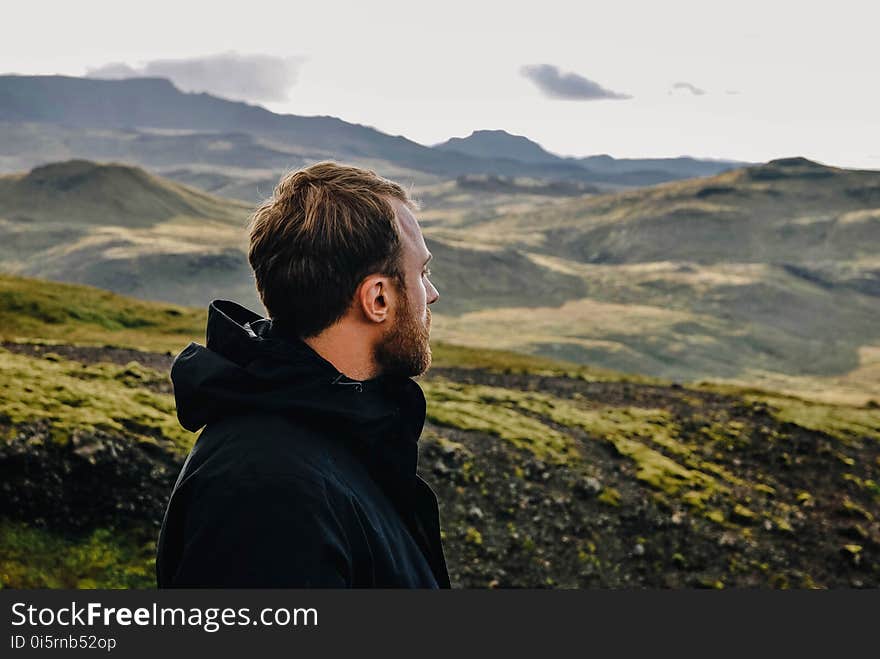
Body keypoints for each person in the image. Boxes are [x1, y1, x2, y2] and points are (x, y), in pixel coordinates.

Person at [155, 161, 450, 588]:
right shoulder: (268, 493)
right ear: (378, 298)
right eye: (421, 273)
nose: (432, 294)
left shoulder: (342, 433)